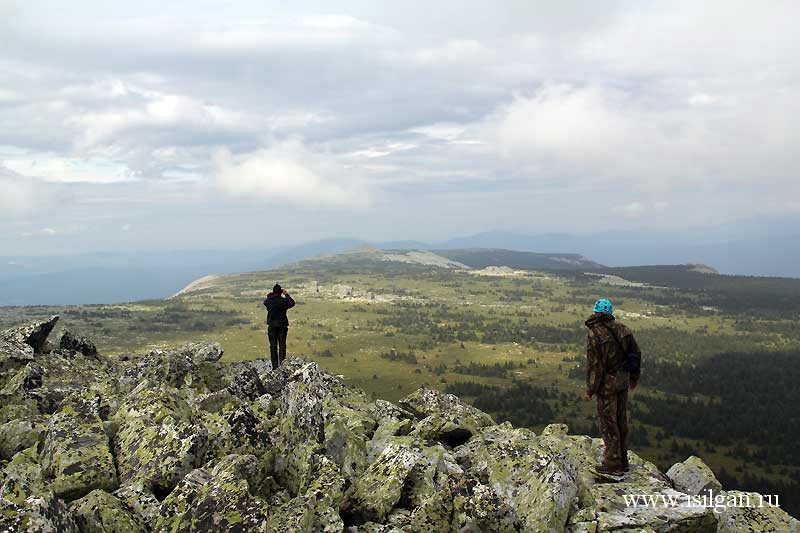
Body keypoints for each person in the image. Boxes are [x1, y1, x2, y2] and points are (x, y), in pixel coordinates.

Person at [583, 298, 641, 475]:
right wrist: (634, 377)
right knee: (621, 419)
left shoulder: (595, 334)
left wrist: (591, 389)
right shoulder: (624, 329)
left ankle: (613, 464)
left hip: (607, 385)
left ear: (595, 312)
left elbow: (595, 365)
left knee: (608, 422)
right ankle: (623, 461)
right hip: (622, 381)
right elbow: (636, 354)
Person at [263, 284, 295, 369]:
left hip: (272, 326)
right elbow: (292, 303)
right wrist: (286, 294)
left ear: (273, 292)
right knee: (282, 346)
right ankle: (282, 365)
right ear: (281, 292)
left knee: (273, 347)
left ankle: (274, 367)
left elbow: (265, 302)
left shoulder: (269, 301)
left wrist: (271, 295)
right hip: (282, 326)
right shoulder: (283, 301)